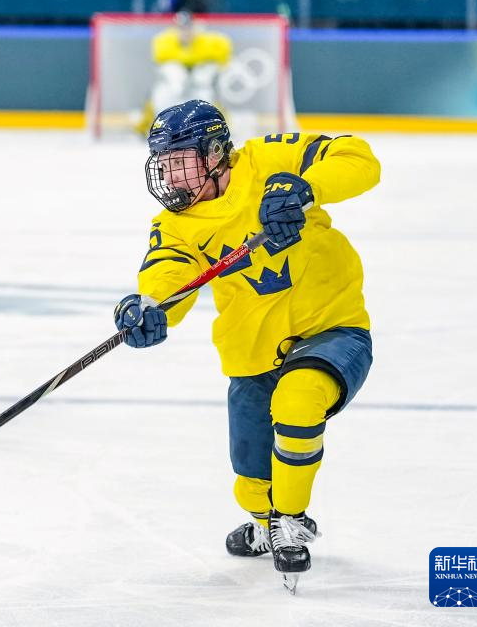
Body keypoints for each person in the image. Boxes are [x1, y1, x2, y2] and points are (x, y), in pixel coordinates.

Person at [114, 100, 379, 590]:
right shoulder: (175, 224)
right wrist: (149, 305)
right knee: (251, 482)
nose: (171, 177)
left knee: (298, 401)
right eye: (164, 165)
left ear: (216, 153)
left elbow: (360, 159)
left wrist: (306, 187)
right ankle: (264, 521)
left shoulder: (268, 160)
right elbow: (169, 273)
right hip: (253, 353)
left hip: (333, 326)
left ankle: (291, 522)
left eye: (181, 162)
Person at [136, 12, 232, 135]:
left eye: (188, 27)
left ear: (195, 26)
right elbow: (162, 61)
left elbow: (221, 59)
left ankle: (221, 125)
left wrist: (206, 69)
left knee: (204, 82)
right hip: (174, 83)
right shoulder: (164, 40)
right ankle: (147, 126)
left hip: (199, 81)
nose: (185, 31)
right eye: (182, 28)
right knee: (172, 76)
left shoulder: (211, 41)